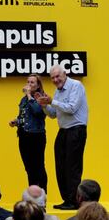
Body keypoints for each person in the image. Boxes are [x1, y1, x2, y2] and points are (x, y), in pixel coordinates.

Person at [36, 64, 88, 210]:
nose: (55, 80)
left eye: (58, 76)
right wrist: (44, 105)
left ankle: (74, 201)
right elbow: (53, 114)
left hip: (76, 130)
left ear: (65, 74)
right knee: (60, 167)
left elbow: (71, 108)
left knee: (72, 167)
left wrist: (51, 101)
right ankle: (66, 199)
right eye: (52, 77)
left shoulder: (76, 85)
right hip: (63, 131)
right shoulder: (57, 91)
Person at [9, 74, 47, 192]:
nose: (29, 85)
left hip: (36, 136)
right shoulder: (24, 99)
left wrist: (29, 95)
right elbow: (25, 117)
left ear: (38, 85)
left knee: (38, 167)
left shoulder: (42, 97)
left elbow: (37, 112)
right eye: (28, 82)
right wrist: (16, 121)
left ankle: (42, 195)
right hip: (24, 135)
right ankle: (32, 194)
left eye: (32, 83)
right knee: (29, 168)